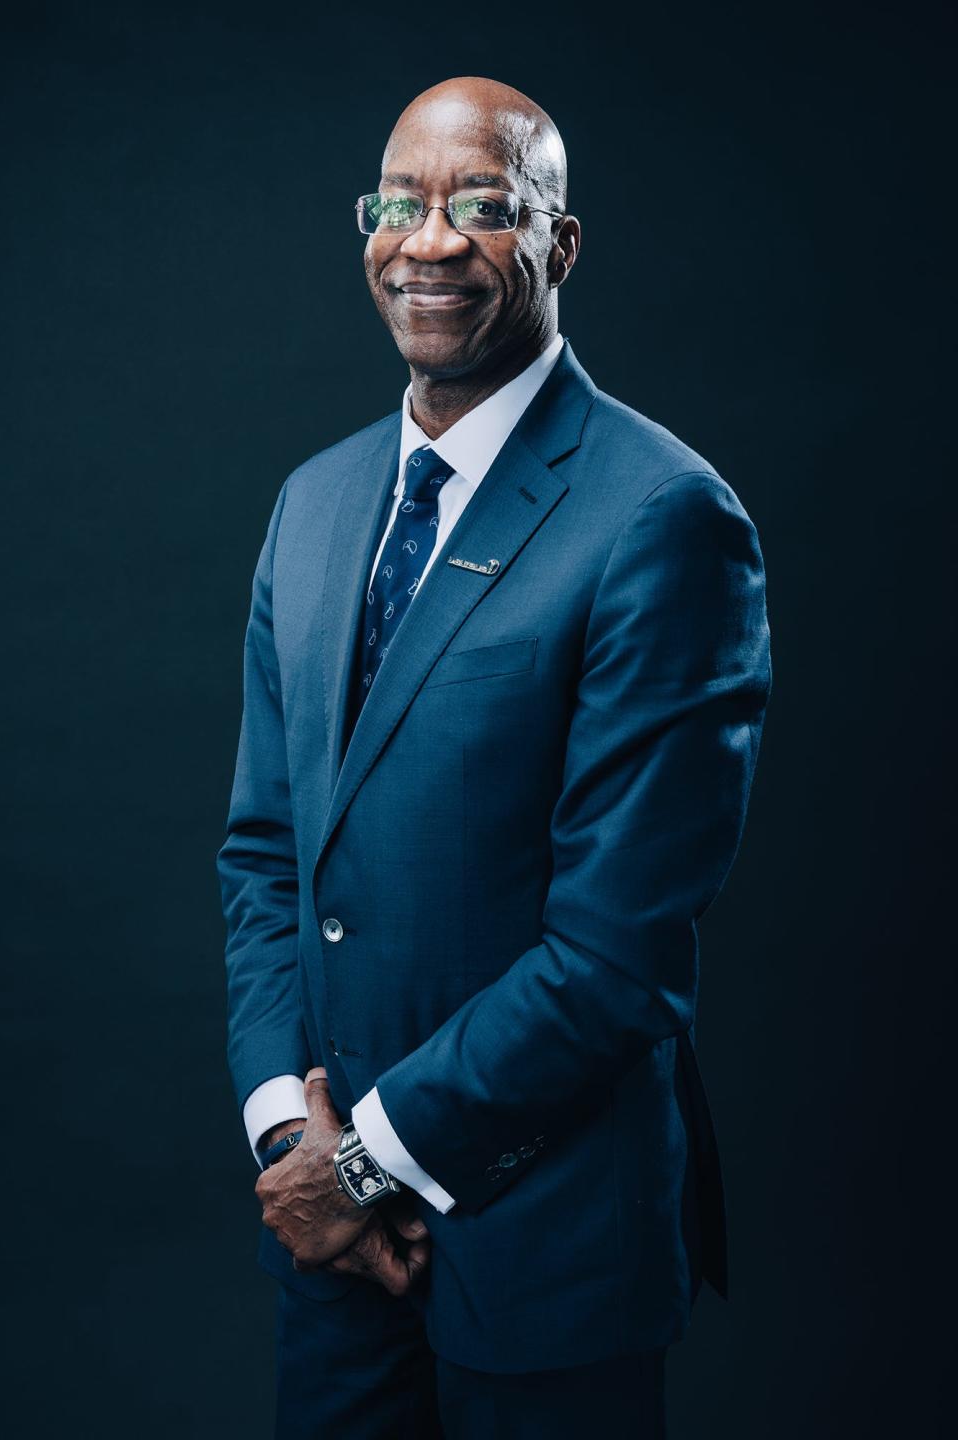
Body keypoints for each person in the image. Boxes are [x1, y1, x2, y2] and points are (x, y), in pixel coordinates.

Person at [217, 74, 772, 1440]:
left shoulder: (662, 518)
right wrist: (293, 1143)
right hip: (336, 1263)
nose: (430, 243)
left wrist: (361, 1166)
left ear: (559, 243)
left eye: (483, 207)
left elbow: (615, 958)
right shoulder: (316, 503)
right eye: (398, 206)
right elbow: (265, 855)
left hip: (550, 1252)